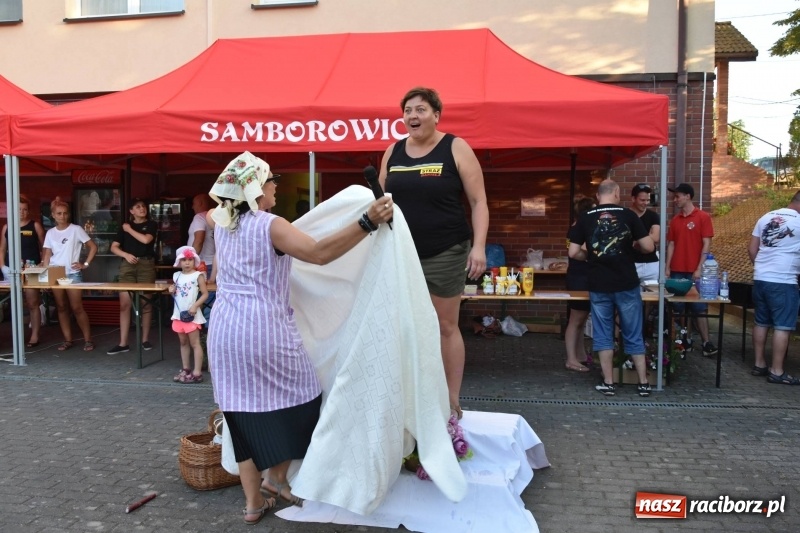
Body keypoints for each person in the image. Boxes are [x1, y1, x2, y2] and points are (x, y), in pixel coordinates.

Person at [206, 151, 394, 524]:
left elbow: (223, 219)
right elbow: (319, 253)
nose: (276, 186)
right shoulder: (270, 225)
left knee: (241, 419)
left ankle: (253, 504)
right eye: (271, 180)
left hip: (224, 332)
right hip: (263, 330)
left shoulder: (220, 221)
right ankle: (276, 478)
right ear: (257, 188)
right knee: (305, 398)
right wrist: (367, 221)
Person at [378, 86, 489, 419]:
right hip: (400, 251)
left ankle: (451, 400)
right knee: (404, 325)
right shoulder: (393, 151)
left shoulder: (455, 147)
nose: (413, 116)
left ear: (436, 115)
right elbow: (379, 200)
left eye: (421, 109)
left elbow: (478, 202)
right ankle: (411, 396)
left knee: (444, 325)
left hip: (445, 250)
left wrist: (479, 246)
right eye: (408, 110)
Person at [567, 180, 654, 397]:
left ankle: (608, 382)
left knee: (603, 333)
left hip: (599, 284)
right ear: (616, 193)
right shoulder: (629, 215)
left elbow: (573, 252)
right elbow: (649, 246)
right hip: (626, 282)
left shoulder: (585, 217)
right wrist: (633, 246)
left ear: (598, 196)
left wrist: (590, 256)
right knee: (633, 332)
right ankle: (643, 383)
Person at [747, 191, 800, 385]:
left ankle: (759, 364)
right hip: (784, 281)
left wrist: (762, 268)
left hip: (760, 279)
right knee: (782, 326)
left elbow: (752, 249)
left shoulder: (765, 217)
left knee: (761, 322)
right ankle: (777, 371)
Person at [664, 183, 718, 357]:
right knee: (678, 307)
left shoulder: (703, 217)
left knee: (699, 307)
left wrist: (700, 267)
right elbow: (671, 244)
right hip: (677, 269)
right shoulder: (675, 220)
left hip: (695, 269)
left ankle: (706, 342)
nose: (675, 200)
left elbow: (707, 243)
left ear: (687, 196)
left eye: (677, 196)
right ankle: (684, 339)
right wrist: (667, 267)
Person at [41, 197, 97, 352]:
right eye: (59, 213)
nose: (62, 216)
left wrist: (85, 264)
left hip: (73, 273)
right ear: (53, 215)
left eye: (65, 213)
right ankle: (67, 340)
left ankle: (88, 340)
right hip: (55, 273)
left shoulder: (76, 229)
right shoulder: (50, 233)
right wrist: (44, 278)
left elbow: (93, 247)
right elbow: (47, 256)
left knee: (77, 307)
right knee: (61, 307)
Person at [107, 198, 158, 355]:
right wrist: (126, 255)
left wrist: (129, 230)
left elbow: (146, 240)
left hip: (146, 264)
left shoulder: (151, 224)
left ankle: (145, 340)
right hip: (128, 264)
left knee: (145, 303)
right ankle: (123, 343)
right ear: (131, 211)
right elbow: (114, 247)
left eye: (143, 206)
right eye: (138, 206)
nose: (142, 208)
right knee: (125, 304)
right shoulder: (125, 227)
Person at [0, 196, 46, 347]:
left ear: (29, 211)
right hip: (11, 270)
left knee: (32, 302)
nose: (22, 212)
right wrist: (2, 266)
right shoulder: (7, 227)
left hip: (31, 270)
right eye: (19, 209)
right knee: (13, 303)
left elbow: (45, 247)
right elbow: (2, 248)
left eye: (25, 209)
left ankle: (35, 336)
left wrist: (42, 264)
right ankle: (15, 336)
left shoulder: (35, 226)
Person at [564, 197, 596, 372]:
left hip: (579, 276)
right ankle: (571, 359)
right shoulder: (580, 229)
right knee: (575, 319)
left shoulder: (575, 227)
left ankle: (580, 355)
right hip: (579, 278)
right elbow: (585, 250)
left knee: (581, 320)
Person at [168, 246, 208, 384]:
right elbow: (176, 293)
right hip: (179, 314)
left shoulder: (198, 276)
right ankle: (186, 369)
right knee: (183, 342)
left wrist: (195, 305)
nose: (187, 262)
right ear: (179, 262)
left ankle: (197, 372)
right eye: (184, 260)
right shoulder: (176, 276)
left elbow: (205, 294)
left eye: (190, 259)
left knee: (195, 343)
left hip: (192, 315)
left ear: (194, 261)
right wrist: (171, 291)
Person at [187, 193, 216, 321]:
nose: (192, 207)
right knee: (211, 298)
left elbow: (199, 240)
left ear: (200, 203)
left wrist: (190, 260)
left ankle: (202, 328)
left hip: (202, 265)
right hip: (213, 264)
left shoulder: (199, 217)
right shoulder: (216, 218)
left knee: (200, 297)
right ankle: (209, 327)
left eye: (194, 204)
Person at [629, 183, 661, 282]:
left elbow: (656, 237)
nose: (646, 203)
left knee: (652, 291)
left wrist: (636, 241)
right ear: (633, 199)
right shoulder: (625, 215)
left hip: (651, 264)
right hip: (631, 263)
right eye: (642, 200)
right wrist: (647, 238)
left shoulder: (653, 216)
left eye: (648, 200)